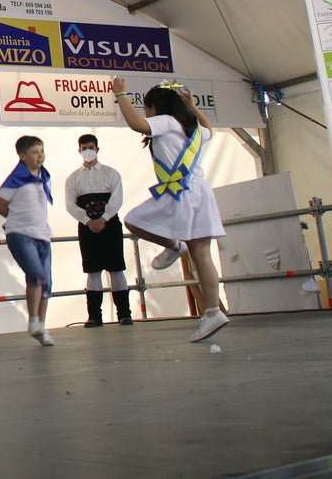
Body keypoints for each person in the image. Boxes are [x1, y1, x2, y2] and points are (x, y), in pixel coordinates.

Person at [112, 77, 228, 342]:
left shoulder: (165, 122)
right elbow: (209, 129)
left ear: (155, 106)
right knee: (203, 255)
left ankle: (175, 246)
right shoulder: (191, 126)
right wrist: (193, 107)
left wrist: (121, 95)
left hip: (179, 192)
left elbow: (136, 125)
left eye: (147, 107)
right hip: (201, 192)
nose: (146, 113)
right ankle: (212, 312)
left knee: (132, 221)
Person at [65, 133, 132, 327]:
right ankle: (94, 316)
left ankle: (124, 314)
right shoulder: (73, 179)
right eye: (84, 148)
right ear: (79, 151)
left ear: (97, 149)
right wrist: (88, 220)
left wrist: (103, 218)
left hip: (110, 225)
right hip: (87, 228)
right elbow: (70, 205)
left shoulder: (111, 173)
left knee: (116, 268)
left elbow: (117, 199)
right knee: (92, 271)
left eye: (91, 147)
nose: (88, 151)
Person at [0, 135, 56, 347]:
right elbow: (0, 206)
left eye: (42, 151)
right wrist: (13, 221)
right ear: (22, 156)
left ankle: (41, 325)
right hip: (20, 233)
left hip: (42, 234)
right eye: (34, 152)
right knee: (36, 275)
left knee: (47, 283)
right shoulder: (15, 180)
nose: (40, 156)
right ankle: (33, 319)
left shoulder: (44, 176)